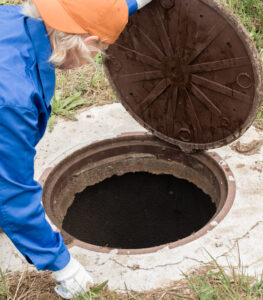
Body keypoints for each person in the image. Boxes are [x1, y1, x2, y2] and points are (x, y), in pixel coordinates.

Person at [0, 0, 151, 298]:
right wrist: (63, 267)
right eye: (99, 51)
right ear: (89, 41)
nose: (93, 59)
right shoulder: (11, 99)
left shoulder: (13, 18)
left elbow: (89, 9)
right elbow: (11, 192)